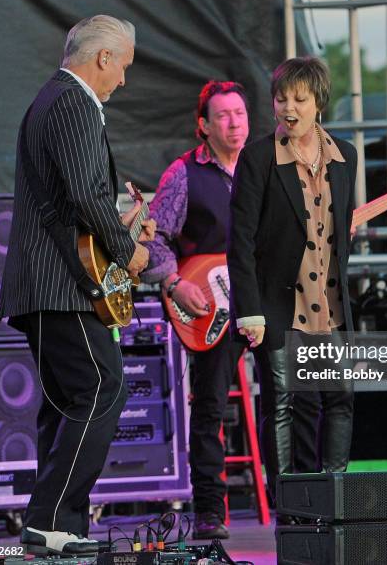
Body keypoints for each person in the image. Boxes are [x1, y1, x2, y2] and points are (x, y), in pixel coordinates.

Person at [0, 15, 153, 555]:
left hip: (47, 284)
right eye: (124, 67)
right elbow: (86, 196)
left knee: (65, 404)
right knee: (102, 390)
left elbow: (70, 200)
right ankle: (50, 519)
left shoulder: (53, 100)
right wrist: (129, 249)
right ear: (104, 57)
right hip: (60, 286)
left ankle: (60, 530)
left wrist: (124, 223)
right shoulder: (75, 101)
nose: (124, 81)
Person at [227, 56, 357, 511]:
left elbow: (340, 231)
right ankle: (292, 509)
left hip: (331, 304)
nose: (288, 107)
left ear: (318, 102)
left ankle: (335, 499)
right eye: (281, 98)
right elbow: (239, 240)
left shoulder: (346, 157)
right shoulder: (260, 157)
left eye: (299, 99)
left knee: (338, 399)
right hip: (277, 304)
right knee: (280, 405)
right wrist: (249, 309)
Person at [144, 81, 249, 539]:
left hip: (262, 301)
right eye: (223, 115)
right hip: (210, 305)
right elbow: (153, 240)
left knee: (289, 401)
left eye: (240, 114)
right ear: (203, 126)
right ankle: (210, 512)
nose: (234, 123)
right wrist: (175, 282)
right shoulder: (183, 174)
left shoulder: (265, 167)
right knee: (209, 409)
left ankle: (303, 503)